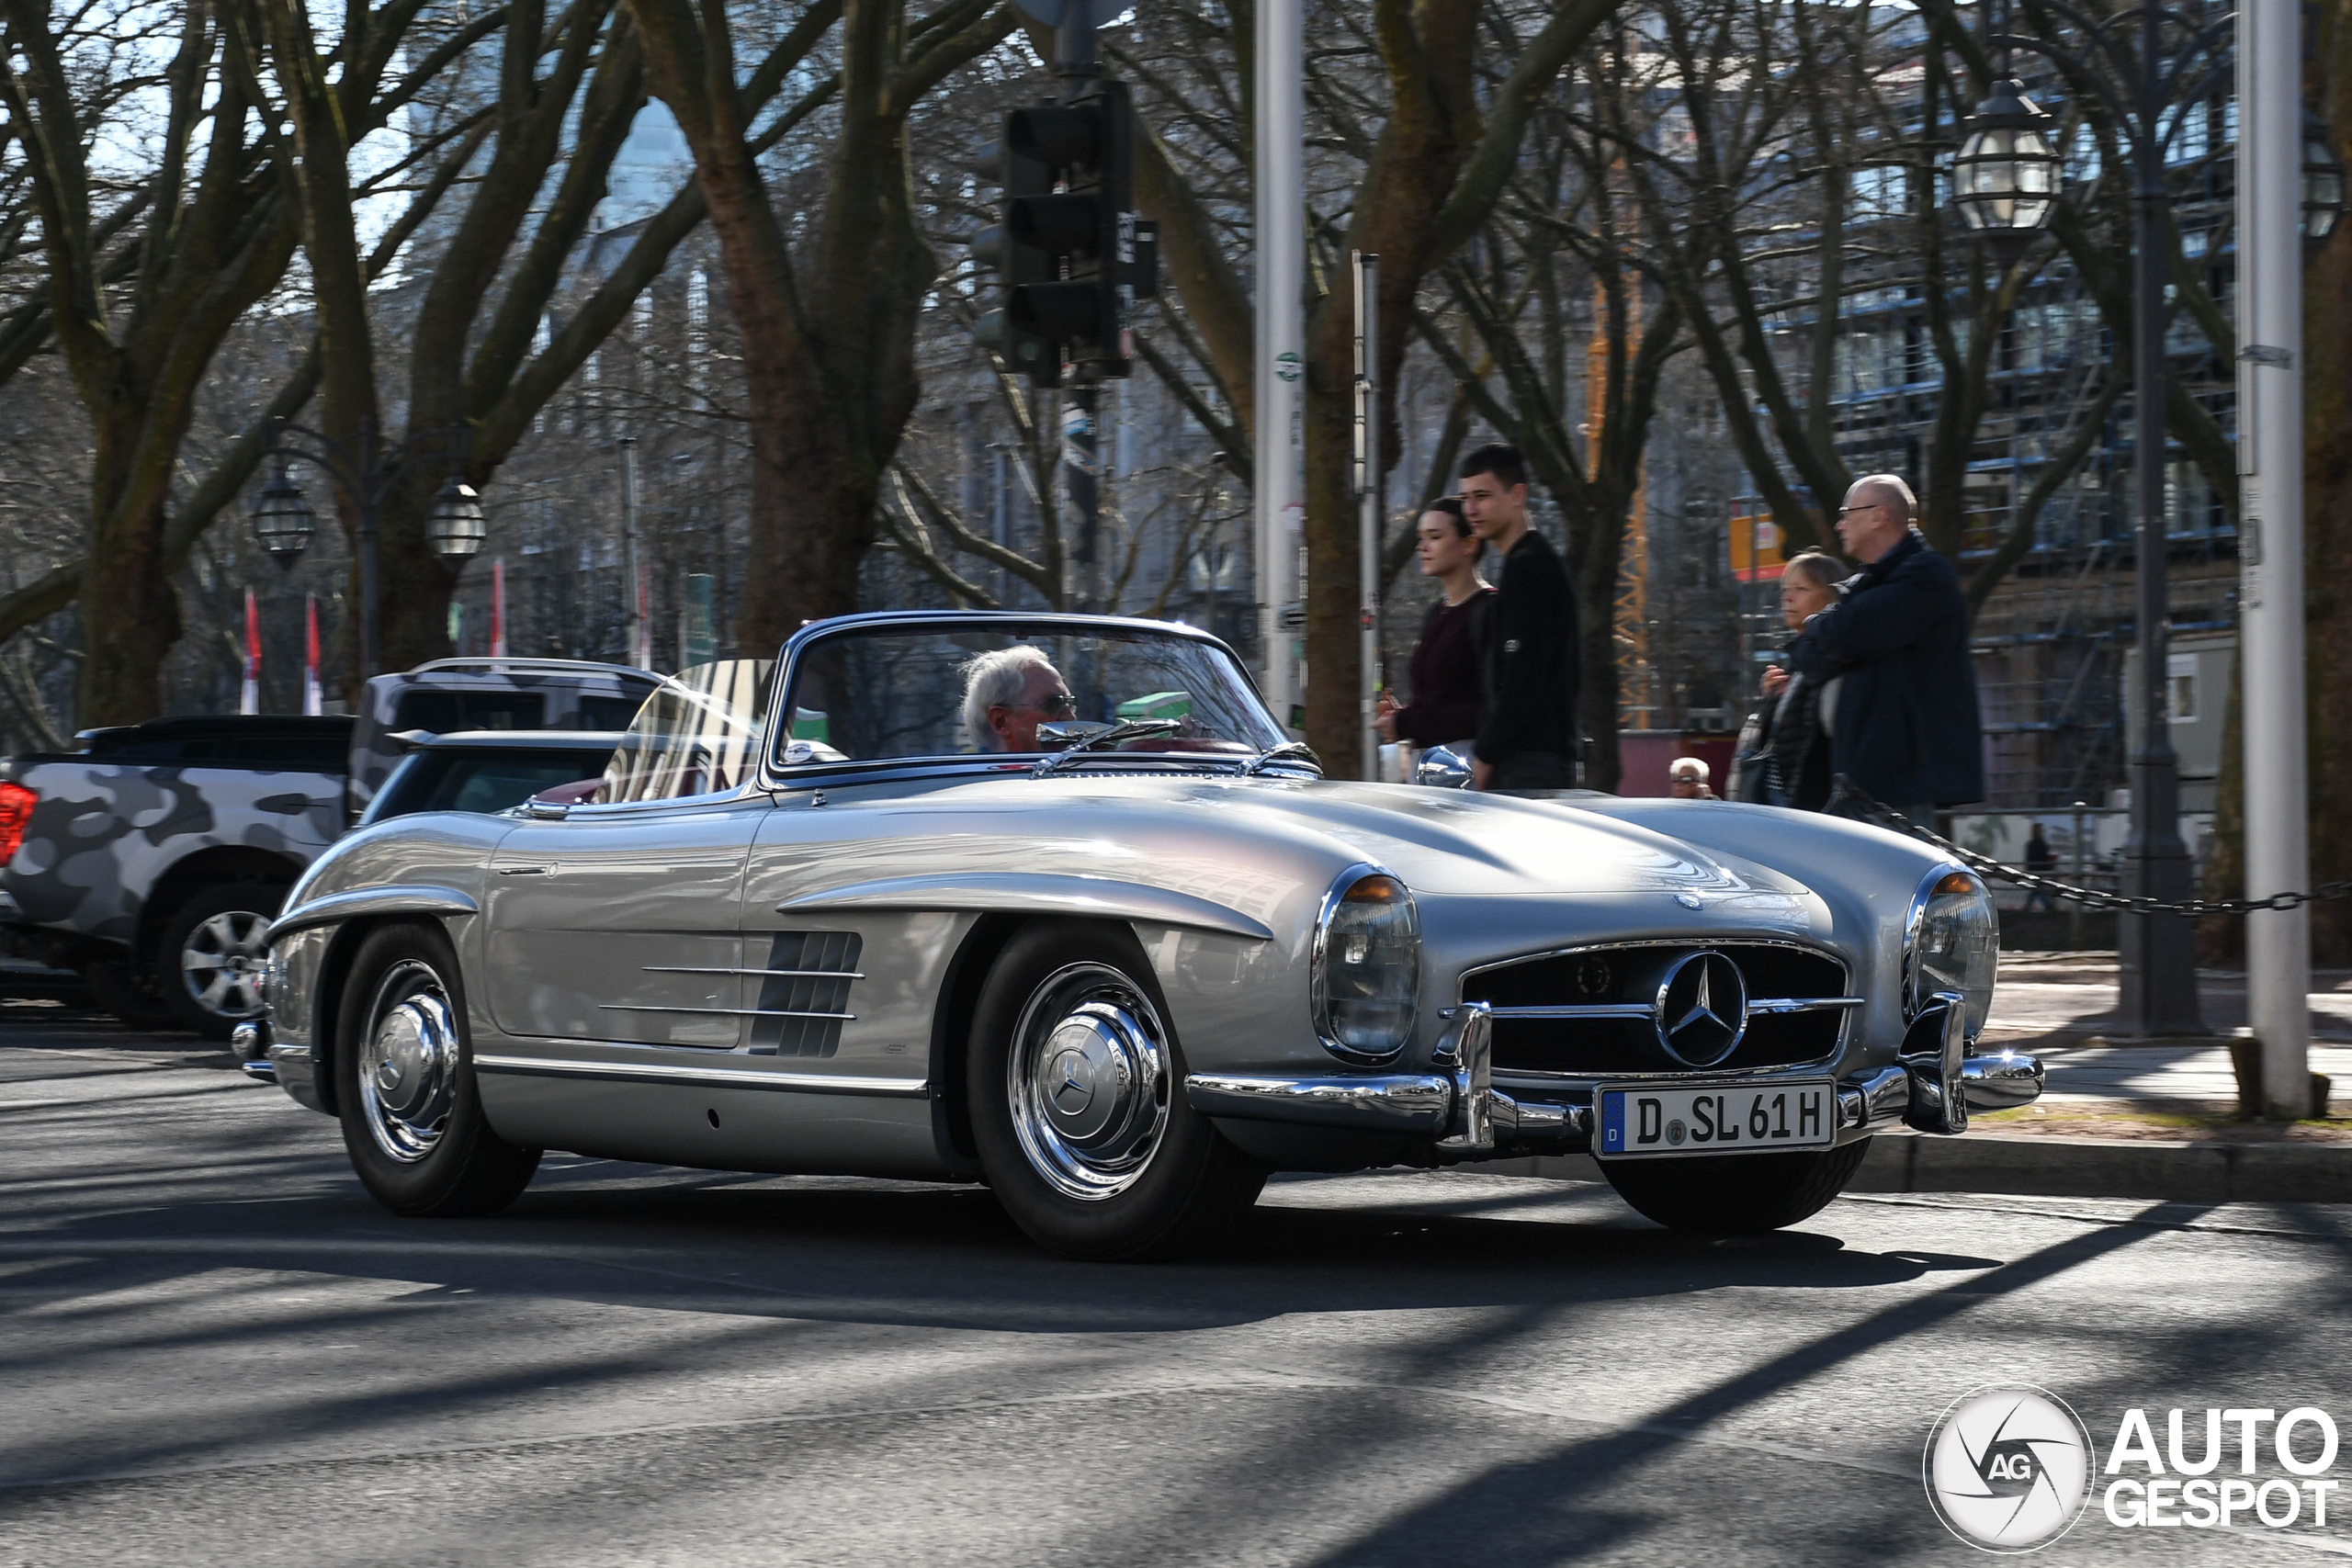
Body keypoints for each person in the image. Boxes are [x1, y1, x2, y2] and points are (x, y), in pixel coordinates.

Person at [1787, 474, 1984, 825]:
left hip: (1900, 786)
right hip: (1858, 781)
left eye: (1847, 513)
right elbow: (1809, 654)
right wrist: (1825, 631)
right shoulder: (1866, 586)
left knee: (1899, 881)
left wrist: (1818, 625)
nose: (1839, 523)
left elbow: (1847, 632)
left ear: (1878, 516)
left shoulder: (1926, 575)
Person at [1459, 443, 1578, 790]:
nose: (1470, 509)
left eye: (1482, 496)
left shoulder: (1528, 566)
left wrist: (1486, 754)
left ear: (1517, 494)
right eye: (1465, 498)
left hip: (1528, 761)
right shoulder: (1529, 561)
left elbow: (1524, 676)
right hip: (1535, 756)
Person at [1376, 497, 1492, 758]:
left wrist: (1407, 722)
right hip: (1431, 766)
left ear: (1469, 544)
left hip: (1468, 768)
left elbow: (1492, 709)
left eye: (1435, 537)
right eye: (1421, 537)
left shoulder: (1490, 611)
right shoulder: (1436, 613)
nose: (1422, 547)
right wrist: (1402, 716)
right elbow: (1438, 701)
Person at [1736, 551, 1845, 810]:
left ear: (1830, 599)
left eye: (1801, 589)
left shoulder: (1831, 661)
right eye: (1785, 589)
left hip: (1810, 809)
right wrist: (1771, 701)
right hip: (1781, 806)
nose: (1787, 597)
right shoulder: (1798, 662)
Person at [960, 645, 1075, 753]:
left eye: (1070, 704)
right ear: (1001, 721)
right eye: (1054, 704)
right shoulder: (966, 773)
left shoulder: (1081, 769)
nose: (1071, 718)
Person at [2024, 823, 2058, 911]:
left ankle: (2029, 906)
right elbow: (2043, 858)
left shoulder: (2032, 844)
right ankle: (2048, 906)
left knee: (2037, 888)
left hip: (2036, 869)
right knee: (2039, 888)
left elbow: (2031, 858)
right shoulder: (2040, 844)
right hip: (2040, 869)